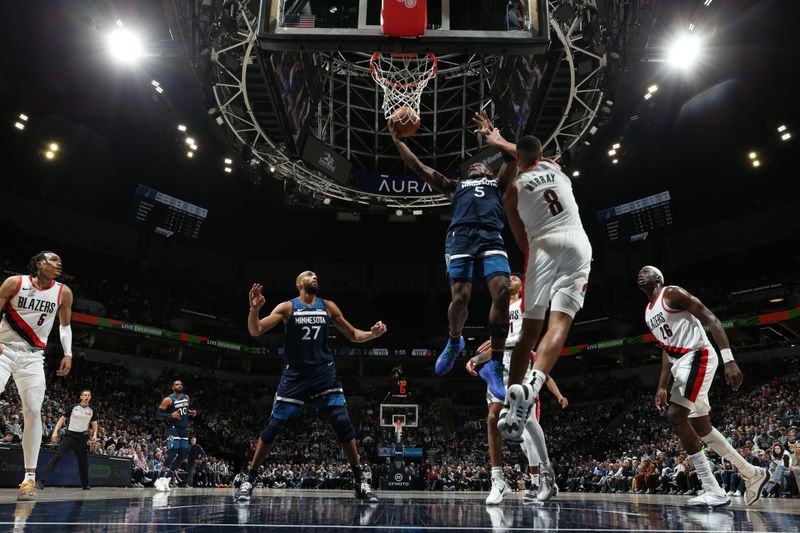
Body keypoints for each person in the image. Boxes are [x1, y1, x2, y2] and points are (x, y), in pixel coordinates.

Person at [472, 118, 591, 443]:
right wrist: (499, 140)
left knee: (529, 334)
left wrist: (537, 263)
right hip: (578, 242)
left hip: (544, 246)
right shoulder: (556, 168)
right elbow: (525, 151)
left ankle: (515, 400)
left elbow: (521, 241)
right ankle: (534, 388)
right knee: (560, 326)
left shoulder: (511, 193)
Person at [389, 113, 516, 400]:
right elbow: (418, 167)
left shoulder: (497, 184)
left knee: (504, 291)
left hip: (491, 236)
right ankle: (455, 341)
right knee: (460, 299)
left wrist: (495, 137)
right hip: (460, 238)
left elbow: (513, 157)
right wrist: (397, 141)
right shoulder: (455, 187)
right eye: (472, 165)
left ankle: (494, 364)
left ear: (487, 171)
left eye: (482, 163)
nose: (476, 164)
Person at [235, 271, 387, 502]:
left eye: (315, 275)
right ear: (299, 284)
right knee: (274, 427)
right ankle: (250, 478)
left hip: (323, 373)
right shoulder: (287, 307)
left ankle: (360, 481)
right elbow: (255, 330)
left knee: (343, 424)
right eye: (308, 275)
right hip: (295, 375)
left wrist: (372, 334)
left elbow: (354, 335)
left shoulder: (328, 306)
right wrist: (254, 309)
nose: (314, 276)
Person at [637, 265, 770, 507]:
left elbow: (710, 317)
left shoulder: (672, 293)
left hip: (698, 355)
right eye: (639, 272)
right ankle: (752, 473)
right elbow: (667, 350)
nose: (641, 273)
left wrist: (729, 359)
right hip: (681, 364)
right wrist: (662, 386)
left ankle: (712, 489)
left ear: (658, 277)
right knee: (702, 427)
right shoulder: (647, 313)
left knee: (676, 414)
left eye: (646, 270)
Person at [466, 273, 568, 504]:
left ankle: (545, 474)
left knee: (529, 422)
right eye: (507, 276)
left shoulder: (527, 302)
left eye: (515, 276)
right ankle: (498, 480)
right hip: (499, 365)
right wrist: (477, 359)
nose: (510, 278)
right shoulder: (498, 309)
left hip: (522, 362)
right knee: (492, 417)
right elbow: (497, 346)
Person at [0, 251, 74, 500]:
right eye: (53, 260)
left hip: (33, 356)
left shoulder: (63, 292)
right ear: (39, 263)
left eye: (59, 261)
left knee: (33, 410)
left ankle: (29, 479)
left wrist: (68, 352)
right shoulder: (15, 283)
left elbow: (64, 326)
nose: (58, 263)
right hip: (3, 349)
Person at [37, 389, 98, 490]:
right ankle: (40, 481)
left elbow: (95, 424)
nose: (87, 397)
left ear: (90, 397)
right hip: (70, 436)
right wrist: (55, 431)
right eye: (85, 395)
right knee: (58, 457)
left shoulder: (92, 410)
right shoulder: (73, 408)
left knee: (83, 461)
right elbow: (62, 419)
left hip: (82, 438)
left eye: (89, 395)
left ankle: (85, 484)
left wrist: (95, 434)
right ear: (81, 397)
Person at [154, 379, 197, 491]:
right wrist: (170, 415)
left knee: (183, 454)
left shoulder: (186, 397)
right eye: (177, 384)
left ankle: (167, 478)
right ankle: (160, 477)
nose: (179, 386)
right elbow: (158, 415)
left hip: (184, 430)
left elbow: (184, 411)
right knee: (173, 452)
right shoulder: (168, 399)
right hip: (173, 429)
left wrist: (191, 413)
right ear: (173, 387)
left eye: (181, 384)